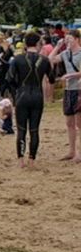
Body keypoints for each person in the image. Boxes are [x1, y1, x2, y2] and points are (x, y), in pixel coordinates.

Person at [10, 31, 55, 168]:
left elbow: (10, 79)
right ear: (37, 43)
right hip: (37, 96)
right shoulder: (45, 60)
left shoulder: (17, 59)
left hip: (22, 95)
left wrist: (15, 95)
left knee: (22, 129)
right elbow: (52, 79)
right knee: (34, 130)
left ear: (25, 43)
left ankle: (20, 160)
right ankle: (32, 160)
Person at [48, 29, 81, 162]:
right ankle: (72, 151)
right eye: (66, 39)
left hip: (79, 89)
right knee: (69, 122)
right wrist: (57, 46)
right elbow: (50, 59)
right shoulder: (65, 53)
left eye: (70, 39)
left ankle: (79, 153)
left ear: (77, 39)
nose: (68, 42)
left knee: (79, 122)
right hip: (68, 90)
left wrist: (70, 75)